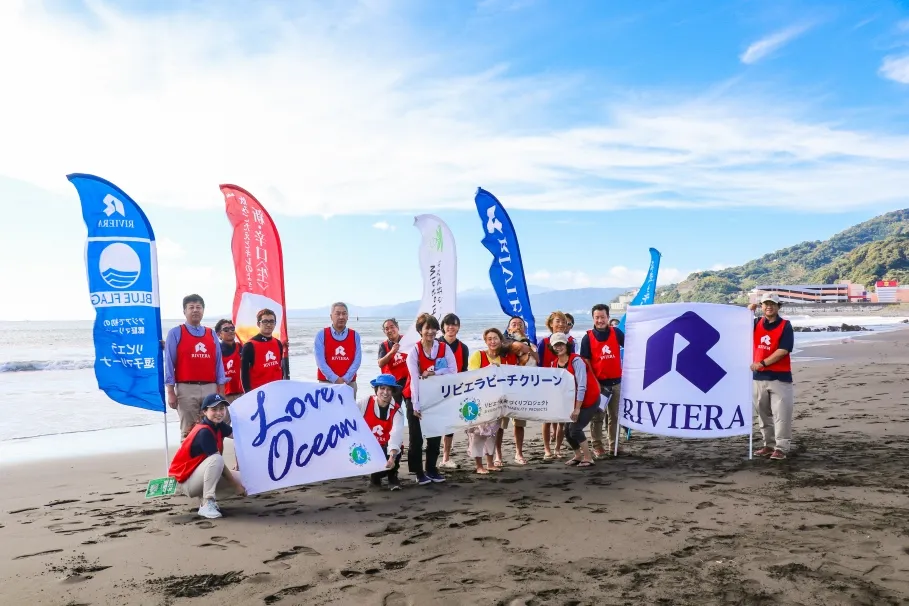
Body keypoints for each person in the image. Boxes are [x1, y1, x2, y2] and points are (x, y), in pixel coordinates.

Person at [168, 394, 246, 519]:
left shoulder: (218, 425)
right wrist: (235, 486)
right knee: (217, 459)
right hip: (185, 482)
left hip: (198, 475)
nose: (219, 413)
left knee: (245, 480)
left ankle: (206, 499)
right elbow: (218, 464)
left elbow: (240, 435)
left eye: (222, 409)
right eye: (214, 409)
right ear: (204, 411)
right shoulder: (204, 431)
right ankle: (207, 502)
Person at [165, 294, 228, 440]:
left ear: (203, 311)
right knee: (189, 431)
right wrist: (170, 391)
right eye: (191, 307)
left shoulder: (211, 333)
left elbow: (218, 363)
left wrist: (222, 390)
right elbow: (169, 362)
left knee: (213, 428)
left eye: (198, 307)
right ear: (184, 311)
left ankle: (214, 461)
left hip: (210, 387)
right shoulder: (176, 333)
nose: (195, 310)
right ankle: (189, 463)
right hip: (186, 389)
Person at [404, 313, 458, 485]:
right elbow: (413, 379)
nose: (431, 331)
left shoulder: (443, 348)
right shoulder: (414, 351)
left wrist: (434, 373)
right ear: (420, 330)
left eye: (434, 328)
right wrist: (416, 406)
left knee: (434, 433)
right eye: (427, 328)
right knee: (416, 437)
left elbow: (453, 370)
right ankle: (418, 472)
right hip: (415, 396)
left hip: (436, 397)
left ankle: (432, 469)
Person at [469, 328, 527, 467]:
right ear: (485, 341)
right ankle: (479, 466)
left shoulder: (505, 358)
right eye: (489, 339)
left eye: (495, 338)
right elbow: (471, 376)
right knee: (478, 434)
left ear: (501, 340)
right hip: (481, 402)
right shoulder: (478, 355)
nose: (492, 341)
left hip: (499, 402)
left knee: (492, 433)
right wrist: (489, 369)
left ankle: (490, 463)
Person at [748, 294, 795, 461]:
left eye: (773, 304)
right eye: (766, 304)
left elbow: (783, 350)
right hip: (758, 378)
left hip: (780, 378)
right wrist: (748, 311)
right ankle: (768, 445)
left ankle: (781, 448)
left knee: (781, 414)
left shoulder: (785, 326)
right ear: (762, 306)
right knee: (763, 414)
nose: (769, 306)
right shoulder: (755, 323)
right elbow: (737, 328)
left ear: (778, 307)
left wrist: (762, 363)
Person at [580, 304, 625, 457]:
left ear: (608, 317)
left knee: (614, 417)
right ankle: (597, 446)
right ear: (593, 318)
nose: (600, 320)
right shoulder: (587, 337)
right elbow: (585, 362)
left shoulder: (616, 333)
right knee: (597, 417)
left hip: (617, 383)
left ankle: (614, 445)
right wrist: (595, 383)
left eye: (603, 317)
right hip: (599, 386)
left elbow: (631, 347)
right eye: (597, 317)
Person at [549, 333, 599, 468]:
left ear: (567, 344)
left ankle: (588, 458)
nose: (559, 347)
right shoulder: (554, 364)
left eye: (561, 344)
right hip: (570, 402)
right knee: (567, 431)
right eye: (556, 345)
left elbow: (582, 386)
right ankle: (578, 456)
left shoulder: (576, 361)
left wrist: (577, 408)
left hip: (589, 399)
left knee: (575, 429)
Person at [357, 374, 405, 490]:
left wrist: (392, 458)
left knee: (396, 448)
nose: (385, 392)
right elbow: (349, 415)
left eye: (389, 389)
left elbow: (396, 435)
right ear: (376, 390)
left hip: (387, 447)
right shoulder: (365, 402)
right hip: (369, 447)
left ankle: (392, 475)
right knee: (376, 475)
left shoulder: (397, 411)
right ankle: (375, 476)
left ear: (393, 391)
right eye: (382, 388)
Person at [537, 311, 574, 458]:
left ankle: (558, 448)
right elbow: (538, 365)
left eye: (563, 322)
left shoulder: (570, 341)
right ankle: (547, 449)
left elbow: (573, 362)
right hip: (547, 385)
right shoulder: (544, 342)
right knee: (546, 419)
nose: (561, 324)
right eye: (557, 321)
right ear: (550, 324)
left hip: (564, 385)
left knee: (561, 420)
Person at [438, 313, 469, 469]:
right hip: (436, 390)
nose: (451, 327)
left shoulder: (463, 348)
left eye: (454, 324)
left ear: (458, 327)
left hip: (454, 390)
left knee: (449, 424)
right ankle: (432, 457)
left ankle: (446, 457)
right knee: (435, 423)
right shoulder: (435, 344)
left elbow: (464, 371)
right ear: (443, 326)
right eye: (448, 324)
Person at [315, 302, 362, 398]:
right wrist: (335, 379)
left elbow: (357, 360)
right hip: (326, 383)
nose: (341, 317)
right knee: (326, 412)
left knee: (348, 412)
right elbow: (320, 362)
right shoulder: (321, 335)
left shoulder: (354, 335)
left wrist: (345, 379)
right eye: (337, 313)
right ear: (331, 316)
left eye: (344, 313)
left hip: (349, 383)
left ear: (348, 316)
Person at [240, 308, 285, 392]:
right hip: (259, 392)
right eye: (265, 321)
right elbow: (244, 374)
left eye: (272, 321)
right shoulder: (249, 346)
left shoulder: (278, 343)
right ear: (258, 324)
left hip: (277, 390)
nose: (268, 325)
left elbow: (279, 368)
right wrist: (248, 393)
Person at [377, 318, 408, 404]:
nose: (390, 330)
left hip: (408, 380)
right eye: (387, 329)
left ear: (397, 328)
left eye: (392, 327)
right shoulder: (383, 345)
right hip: (393, 382)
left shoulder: (407, 340)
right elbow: (380, 363)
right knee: (393, 409)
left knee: (411, 409)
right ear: (384, 332)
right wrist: (392, 352)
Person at [215, 319, 244, 407]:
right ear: (219, 334)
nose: (230, 331)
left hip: (242, 393)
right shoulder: (216, 350)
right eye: (226, 330)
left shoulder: (242, 347)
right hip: (224, 395)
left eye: (232, 329)